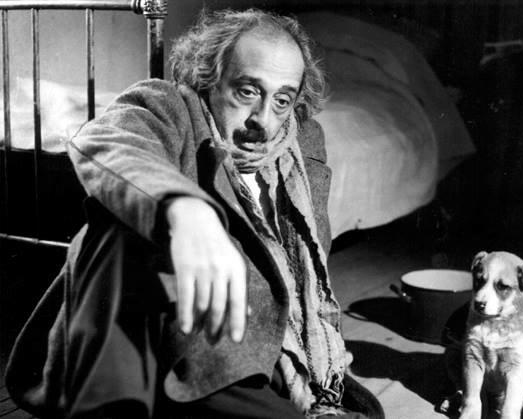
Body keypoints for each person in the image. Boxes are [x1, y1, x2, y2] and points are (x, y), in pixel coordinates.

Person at [5, 8, 384, 419]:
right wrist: (185, 210)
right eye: (247, 91)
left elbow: (302, 282)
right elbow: (108, 139)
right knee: (115, 228)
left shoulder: (302, 146)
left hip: (269, 354)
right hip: (185, 348)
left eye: (281, 100)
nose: (263, 121)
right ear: (208, 78)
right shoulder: (172, 107)